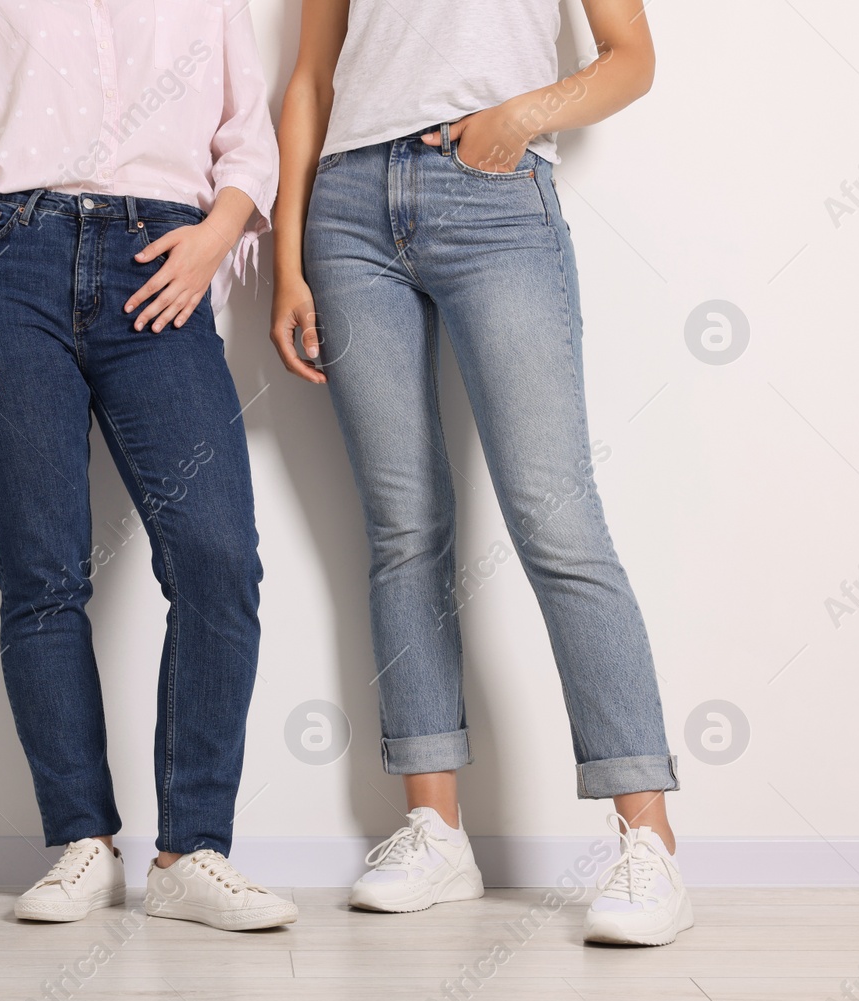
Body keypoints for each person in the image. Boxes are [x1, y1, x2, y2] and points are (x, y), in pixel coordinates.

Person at [272, 0, 692, 945]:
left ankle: (650, 839)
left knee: (555, 518)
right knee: (403, 526)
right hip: (346, 213)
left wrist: (524, 114)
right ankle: (436, 826)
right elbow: (309, 77)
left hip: (495, 199)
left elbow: (632, 59)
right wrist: (288, 254)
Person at [0, 0, 296, 931]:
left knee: (217, 556)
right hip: (9, 264)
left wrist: (214, 238)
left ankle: (190, 850)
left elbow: (249, 139)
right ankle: (80, 842)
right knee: (41, 571)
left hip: (161, 259)